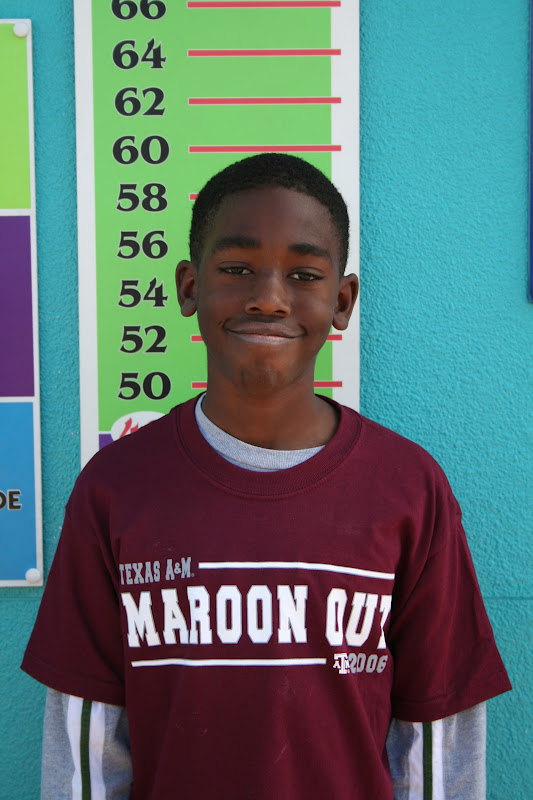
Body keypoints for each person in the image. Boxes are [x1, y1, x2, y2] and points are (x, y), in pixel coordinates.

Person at [23, 154, 510, 799]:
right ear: (189, 287)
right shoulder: (115, 488)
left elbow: (438, 742)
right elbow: (85, 749)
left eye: (303, 275)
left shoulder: (409, 489)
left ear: (342, 301)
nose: (269, 298)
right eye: (236, 269)